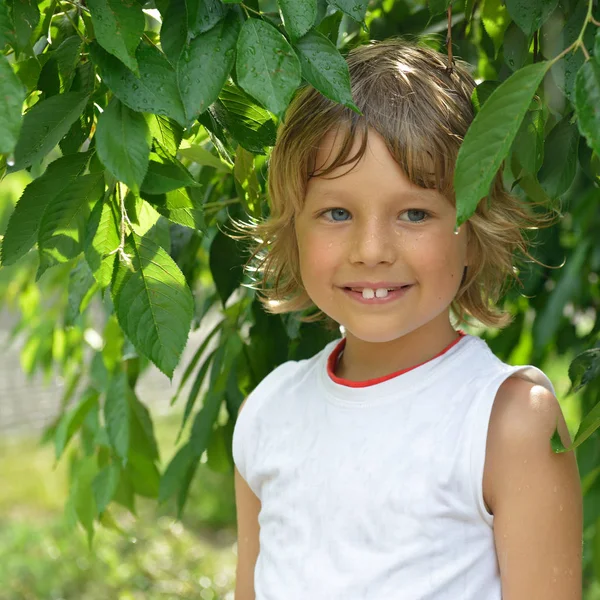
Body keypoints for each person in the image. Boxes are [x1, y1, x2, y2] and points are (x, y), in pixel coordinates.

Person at [231, 37, 583, 600]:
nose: (372, 249)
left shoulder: (509, 422)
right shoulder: (266, 413)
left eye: (415, 212)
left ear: (474, 230)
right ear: (292, 230)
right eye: (337, 212)